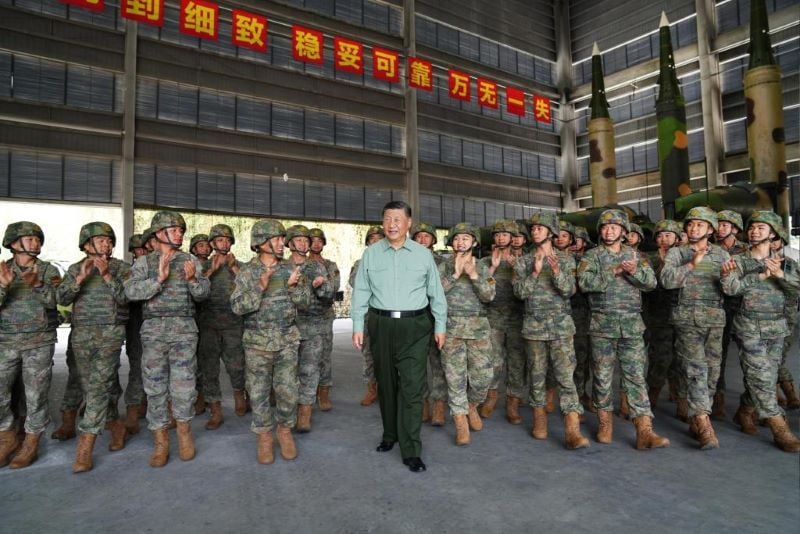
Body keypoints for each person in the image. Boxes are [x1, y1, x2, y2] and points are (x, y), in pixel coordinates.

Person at [351, 201, 447, 473]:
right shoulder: (371, 254)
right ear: (383, 223)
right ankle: (390, 435)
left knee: (412, 387)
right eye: (387, 219)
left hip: (415, 326)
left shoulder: (422, 255)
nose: (392, 224)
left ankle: (411, 448)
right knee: (386, 384)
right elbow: (361, 291)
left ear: (408, 224)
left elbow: (435, 293)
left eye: (398, 219)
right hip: (380, 324)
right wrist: (358, 323)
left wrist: (440, 325)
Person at [124, 210, 210, 467]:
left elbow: (204, 293)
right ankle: (161, 441)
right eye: (173, 230)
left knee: (184, 387)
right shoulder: (144, 263)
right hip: (153, 331)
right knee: (155, 387)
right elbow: (130, 292)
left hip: (184, 328)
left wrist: (194, 279)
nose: (179, 234)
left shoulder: (190, 260)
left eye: (181, 230)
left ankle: (184, 434)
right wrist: (158, 279)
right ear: (159, 234)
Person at [578, 209, 669, 450]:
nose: (609, 231)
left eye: (614, 228)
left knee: (636, 378)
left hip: (631, 325)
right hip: (602, 325)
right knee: (602, 377)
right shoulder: (592, 256)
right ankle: (604, 423)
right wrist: (614, 271)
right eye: (605, 227)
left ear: (623, 232)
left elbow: (650, 283)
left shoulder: (636, 256)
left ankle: (644, 430)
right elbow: (585, 284)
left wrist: (633, 271)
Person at [231, 219, 310, 464]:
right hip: (257, 343)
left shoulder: (290, 269)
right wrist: (259, 288)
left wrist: (294, 288)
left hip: (287, 340)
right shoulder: (248, 272)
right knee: (258, 392)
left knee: (288, 391)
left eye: (280, 239)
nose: (281, 244)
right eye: (276, 239)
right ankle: (264, 435)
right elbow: (236, 307)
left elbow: (304, 301)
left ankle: (284, 430)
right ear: (261, 243)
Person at [721, 210, 800, 452]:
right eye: (752, 227)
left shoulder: (787, 264)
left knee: (767, 375)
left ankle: (745, 412)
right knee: (760, 377)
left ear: (773, 233)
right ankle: (779, 427)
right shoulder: (738, 260)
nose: (755, 231)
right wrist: (761, 276)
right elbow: (730, 288)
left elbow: (796, 290)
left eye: (761, 228)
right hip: (749, 326)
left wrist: (779, 275)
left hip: (776, 327)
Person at [56, 222, 130, 472]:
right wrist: (79, 278)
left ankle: (85, 445)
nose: (106, 244)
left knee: (98, 387)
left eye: (109, 240)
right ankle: (115, 425)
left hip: (110, 332)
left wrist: (108, 275)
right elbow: (62, 299)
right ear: (87, 245)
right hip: (82, 333)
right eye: (100, 240)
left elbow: (127, 298)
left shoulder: (121, 268)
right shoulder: (77, 268)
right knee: (91, 386)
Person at [660, 207, 733, 450]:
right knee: (695, 370)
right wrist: (691, 264)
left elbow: (732, 289)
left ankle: (697, 416)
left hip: (714, 319)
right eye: (690, 224)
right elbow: (667, 281)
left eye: (700, 225)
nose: (693, 228)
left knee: (712, 373)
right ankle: (704, 424)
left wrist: (727, 278)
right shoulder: (677, 253)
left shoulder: (722, 255)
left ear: (711, 229)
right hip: (687, 318)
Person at [514, 213, 589, 450]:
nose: (535, 231)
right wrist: (535, 273)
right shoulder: (523, 262)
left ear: (551, 232)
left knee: (566, 379)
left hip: (561, 328)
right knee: (537, 377)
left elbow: (569, 291)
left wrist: (556, 272)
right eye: (533, 228)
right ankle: (539, 421)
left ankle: (572, 430)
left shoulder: (566, 260)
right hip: (534, 328)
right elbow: (520, 293)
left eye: (540, 228)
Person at [0, 222, 61, 469]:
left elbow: (58, 301)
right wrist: (3, 286)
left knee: (36, 395)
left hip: (39, 342)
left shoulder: (48, 271)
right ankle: (7, 436)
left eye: (37, 239)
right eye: (29, 239)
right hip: (6, 342)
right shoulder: (2, 269)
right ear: (14, 244)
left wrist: (37, 284)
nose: (35, 243)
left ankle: (31, 441)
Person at [438, 223, 495, 446]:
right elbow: (434, 293)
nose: (460, 242)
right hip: (451, 328)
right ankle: (460, 421)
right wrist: (454, 274)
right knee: (455, 379)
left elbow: (489, 295)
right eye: (456, 238)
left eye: (465, 238)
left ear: (474, 242)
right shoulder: (443, 266)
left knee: (483, 378)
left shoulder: (482, 266)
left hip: (478, 329)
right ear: (451, 242)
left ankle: (471, 405)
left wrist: (473, 275)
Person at [196, 224, 245, 431]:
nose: (223, 243)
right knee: (209, 369)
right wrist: (212, 270)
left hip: (234, 324)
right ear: (213, 243)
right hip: (208, 325)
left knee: (237, 365)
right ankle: (215, 410)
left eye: (227, 239)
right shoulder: (201, 266)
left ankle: (240, 397)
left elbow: (251, 288)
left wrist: (234, 268)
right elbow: (194, 290)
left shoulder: (241, 265)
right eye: (219, 240)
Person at [285, 225, 332, 433]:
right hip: (287, 327)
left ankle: (305, 413)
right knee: (287, 372)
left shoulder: (316, 267)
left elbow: (328, 293)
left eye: (306, 240)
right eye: (299, 240)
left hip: (312, 326)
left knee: (310, 371)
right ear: (290, 243)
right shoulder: (280, 267)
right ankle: (288, 411)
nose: (304, 244)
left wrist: (322, 285)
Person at [479, 220, 525, 425]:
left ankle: (513, 402)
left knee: (516, 362)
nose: (500, 238)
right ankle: (491, 397)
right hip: (494, 317)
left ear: (512, 237)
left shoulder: (524, 261)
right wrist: (493, 267)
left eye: (504, 235)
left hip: (518, 318)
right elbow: (478, 288)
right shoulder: (485, 261)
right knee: (493, 362)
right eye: (497, 235)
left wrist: (518, 268)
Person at [643, 220, 682, 409]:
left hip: (681, 313)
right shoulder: (649, 258)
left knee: (679, 358)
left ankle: (678, 395)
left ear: (677, 238)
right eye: (660, 235)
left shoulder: (684, 257)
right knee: (660, 356)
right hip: (658, 314)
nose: (663, 239)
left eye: (668, 235)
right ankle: (652, 395)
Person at [411, 222, 446, 425]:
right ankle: (423, 404)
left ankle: (439, 405)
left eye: (427, 236)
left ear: (433, 240)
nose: (423, 240)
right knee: (417, 366)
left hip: (436, 321)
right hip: (415, 321)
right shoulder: (407, 260)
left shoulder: (442, 263)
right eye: (419, 236)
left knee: (439, 365)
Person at [713, 210, 747, 419]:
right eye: (718, 225)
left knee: (751, 358)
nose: (720, 228)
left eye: (725, 225)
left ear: (735, 228)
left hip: (743, 308)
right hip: (720, 308)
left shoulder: (747, 251)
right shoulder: (711, 251)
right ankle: (718, 401)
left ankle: (751, 405)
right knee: (718, 356)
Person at [349, 226, 385, 406]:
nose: (376, 242)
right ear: (368, 243)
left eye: (379, 238)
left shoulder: (393, 262)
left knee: (389, 355)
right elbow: (355, 283)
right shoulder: (360, 262)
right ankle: (372, 389)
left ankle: (389, 389)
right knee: (369, 355)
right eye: (372, 239)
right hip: (367, 316)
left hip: (386, 316)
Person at [308, 228, 340, 412]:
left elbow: (333, 288)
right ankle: (305, 395)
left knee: (324, 356)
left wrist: (322, 281)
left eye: (320, 240)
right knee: (302, 358)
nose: (317, 244)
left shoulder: (330, 265)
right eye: (313, 240)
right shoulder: (299, 265)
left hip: (324, 317)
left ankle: (324, 393)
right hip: (302, 317)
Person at [772, 224, 800, 409]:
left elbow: (795, 287)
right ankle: (780, 396)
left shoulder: (790, 259)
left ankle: (789, 395)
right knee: (770, 359)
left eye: (774, 239)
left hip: (786, 315)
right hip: (765, 316)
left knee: (778, 358)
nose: (771, 243)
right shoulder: (755, 258)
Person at [124, 234, 148, 435]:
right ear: (133, 252)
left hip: (156, 324)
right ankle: (134, 408)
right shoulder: (128, 271)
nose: (142, 253)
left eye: (145, 250)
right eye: (138, 250)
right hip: (135, 324)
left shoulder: (154, 266)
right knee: (137, 368)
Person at [569, 226, 593, 410]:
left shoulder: (591, 260)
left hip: (589, 313)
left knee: (587, 357)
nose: (572, 243)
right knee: (575, 356)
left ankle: (582, 392)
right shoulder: (563, 260)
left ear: (584, 243)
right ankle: (573, 395)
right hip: (570, 314)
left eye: (577, 240)